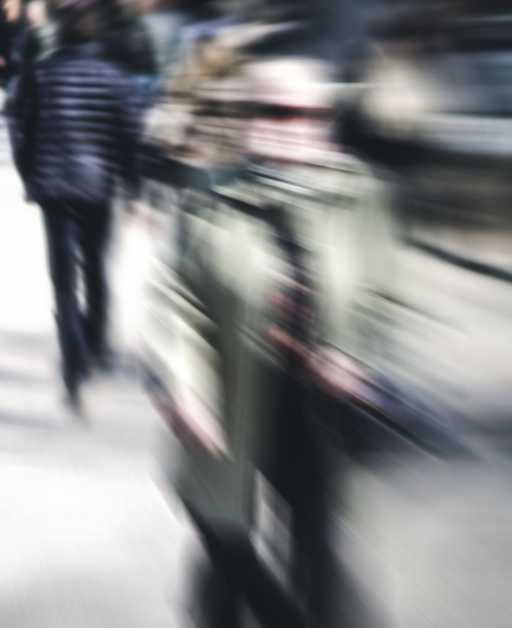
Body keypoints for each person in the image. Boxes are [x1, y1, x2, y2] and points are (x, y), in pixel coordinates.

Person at [150, 52, 400, 628]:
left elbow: (381, 293)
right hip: (229, 394)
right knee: (223, 529)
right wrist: (184, 386)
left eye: (305, 113)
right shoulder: (207, 192)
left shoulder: (361, 196)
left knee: (317, 543)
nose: (288, 125)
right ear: (242, 116)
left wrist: (357, 354)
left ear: (326, 120)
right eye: (268, 110)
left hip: (315, 405)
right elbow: (179, 299)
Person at [7, 1, 142, 410]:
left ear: (62, 32)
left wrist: (30, 176)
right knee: (96, 268)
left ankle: (74, 362)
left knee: (64, 282)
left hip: (54, 189)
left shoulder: (40, 74)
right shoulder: (114, 77)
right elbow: (129, 135)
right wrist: (133, 186)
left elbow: (21, 130)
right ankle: (96, 345)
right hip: (99, 188)